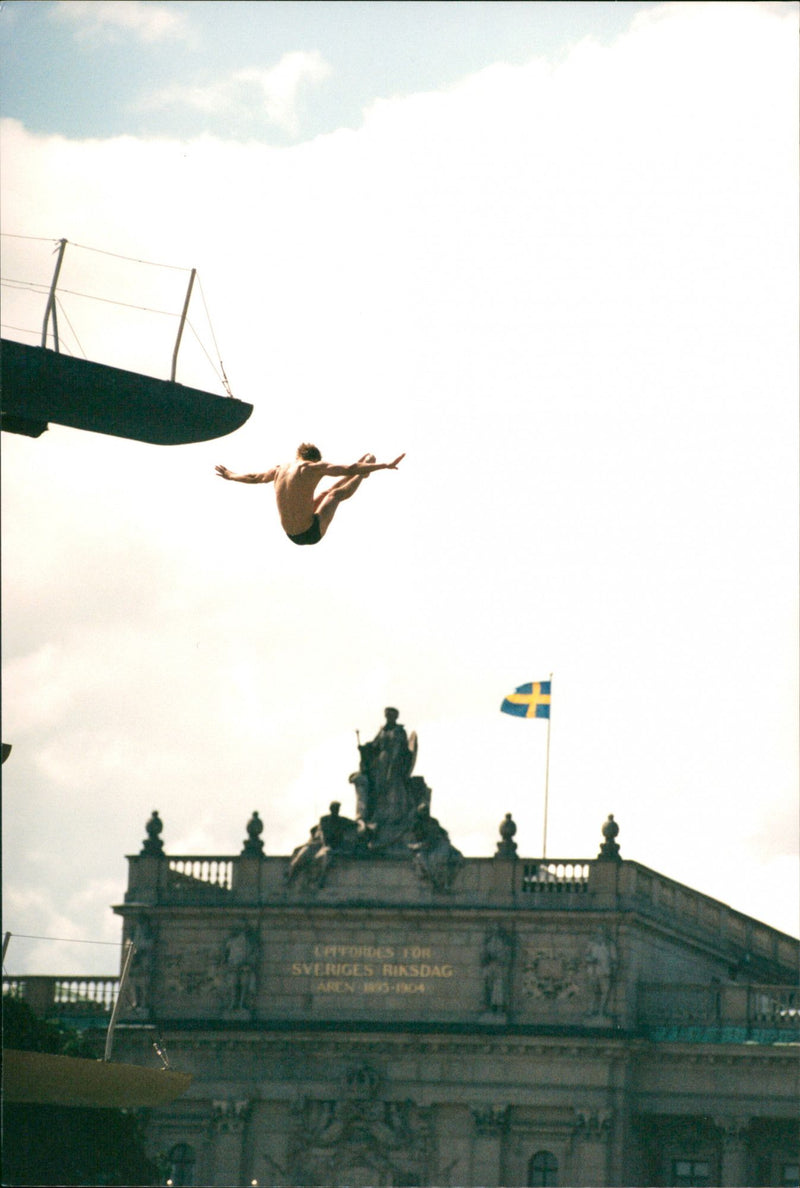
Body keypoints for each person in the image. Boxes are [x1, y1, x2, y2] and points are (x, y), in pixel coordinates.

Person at [215, 444, 405, 545]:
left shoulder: (280, 469)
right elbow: (349, 468)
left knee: (325, 493)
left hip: (291, 534)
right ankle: (363, 475)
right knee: (334, 495)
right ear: (314, 460)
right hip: (310, 533)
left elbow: (255, 477)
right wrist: (384, 465)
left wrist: (231, 475)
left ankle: (363, 471)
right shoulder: (313, 467)